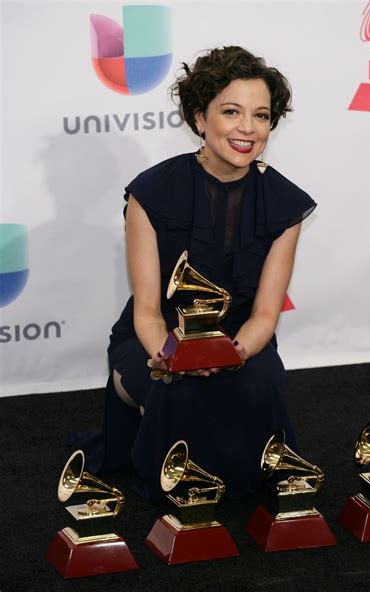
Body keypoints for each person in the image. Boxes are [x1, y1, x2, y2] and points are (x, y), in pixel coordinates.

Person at [74, 46, 316, 502]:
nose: (248, 128)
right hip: (157, 338)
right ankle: (175, 479)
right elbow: (147, 309)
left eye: (261, 115)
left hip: (243, 337)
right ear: (199, 118)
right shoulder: (151, 193)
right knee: (179, 387)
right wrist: (174, 353)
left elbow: (266, 313)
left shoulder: (284, 203)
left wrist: (233, 352)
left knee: (260, 383)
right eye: (231, 112)